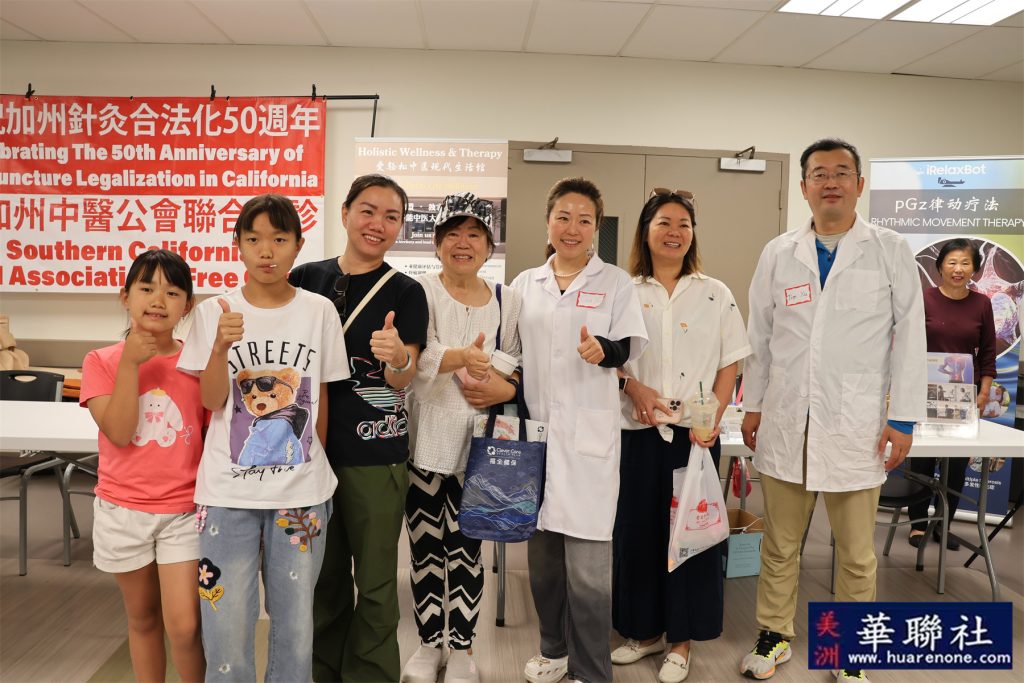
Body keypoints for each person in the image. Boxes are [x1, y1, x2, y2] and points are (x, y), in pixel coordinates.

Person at [739, 139, 926, 683]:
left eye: (842, 172)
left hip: (856, 424)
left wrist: (903, 417)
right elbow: (760, 337)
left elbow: (911, 338)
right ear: (803, 187)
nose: (831, 182)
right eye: (819, 174)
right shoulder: (779, 253)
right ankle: (774, 635)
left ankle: (849, 650)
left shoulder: (889, 248)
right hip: (787, 421)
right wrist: (753, 405)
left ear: (859, 185)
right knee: (780, 545)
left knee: (856, 552)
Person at [178, 194, 349, 681]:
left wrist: (311, 464)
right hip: (226, 494)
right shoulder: (214, 312)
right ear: (238, 244)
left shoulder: (319, 311)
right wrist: (220, 348)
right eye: (253, 239)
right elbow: (211, 400)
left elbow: (320, 400)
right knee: (225, 622)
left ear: (298, 246)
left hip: (301, 496)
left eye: (279, 239)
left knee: (295, 626)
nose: (266, 251)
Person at [289, 174, 429, 683]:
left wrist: (397, 358)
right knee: (320, 581)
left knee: (375, 584)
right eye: (368, 210)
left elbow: (403, 376)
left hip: (375, 456)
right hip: (307, 456)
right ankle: (323, 672)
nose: (378, 224)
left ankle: (370, 675)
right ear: (345, 212)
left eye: (392, 217)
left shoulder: (407, 291)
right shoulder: (304, 277)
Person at [512, 177, 648, 683]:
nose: (572, 228)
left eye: (584, 220)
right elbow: (512, 352)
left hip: (588, 442)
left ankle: (591, 671)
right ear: (548, 222)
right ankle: (553, 650)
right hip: (536, 439)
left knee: (589, 570)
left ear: (596, 227)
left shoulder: (615, 282)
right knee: (544, 561)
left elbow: (627, 345)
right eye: (563, 217)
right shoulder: (526, 284)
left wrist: (603, 350)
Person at [613, 189, 751, 683]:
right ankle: (644, 632)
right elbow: (609, 360)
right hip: (637, 430)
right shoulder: (624, 290)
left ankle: (681, 641)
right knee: (637, 533)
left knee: (691, 537)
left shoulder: (715, 291)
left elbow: (730, 360)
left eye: (683, 225)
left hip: (695, 437)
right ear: (645, 231)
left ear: (693, 234)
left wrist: (712, 416)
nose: (674, 233)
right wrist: (632, 387)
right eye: (664, 223)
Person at [401, 192, 523, 683]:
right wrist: (466, 359)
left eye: (474, 234)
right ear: (436, 244)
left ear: (489, 246)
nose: (463, 242)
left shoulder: (507, 299)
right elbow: (418, 358)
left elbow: (516, 359)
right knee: (425, 549)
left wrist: (496, 380)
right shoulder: (420, 291)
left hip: (481, 448)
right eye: (452, 233)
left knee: (469, 551)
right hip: (425, 443)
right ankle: (429, 645)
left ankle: (464, 649)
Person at [81, 249, 205, 683]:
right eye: (147, 288)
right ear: (125, 297)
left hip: (183, 511)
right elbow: (118, 431)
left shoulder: (197, 363)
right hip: (122, 510)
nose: (158, 300)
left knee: (185, 626)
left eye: (172, 292)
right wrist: (132, 363)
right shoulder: (101, 361)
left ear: (187, 305)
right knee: (143, 618)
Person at [909, 239, 997, 550]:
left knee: (957, 464)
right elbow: (907, 347)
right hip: (924, 392)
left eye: (965, 263)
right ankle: (918, 524)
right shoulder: (924, 299)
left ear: (974, 269)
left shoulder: (982, 304)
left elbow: (987, 352)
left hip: (963, 395)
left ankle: (943, 525)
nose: (958, 269)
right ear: (940, 267)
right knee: (922, 461)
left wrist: (983, 392)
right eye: (952, 262)